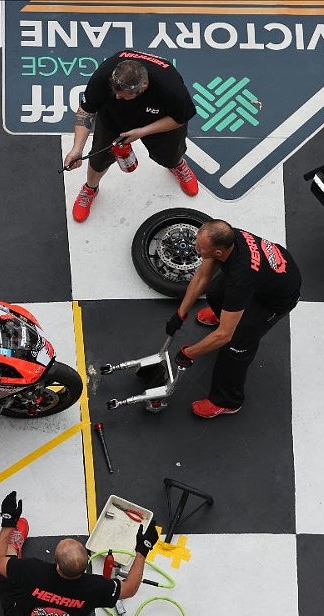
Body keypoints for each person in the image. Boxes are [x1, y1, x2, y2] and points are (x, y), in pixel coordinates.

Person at [0, 491, 157, 616]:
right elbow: (130, 589)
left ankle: (13, 546)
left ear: (57, 564)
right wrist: (143, 550)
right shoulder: (95, 587)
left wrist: (8, 522)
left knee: (3, 572)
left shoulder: (32, 570)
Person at [166, 219, 301, 418]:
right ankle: (226, 315)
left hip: (275, 299)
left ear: (218, 252)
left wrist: (189, 353)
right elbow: (203, 277)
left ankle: (227, 401)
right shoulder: (226, 236)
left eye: (200, 247)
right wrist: (180, 313)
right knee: (214, 291)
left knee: (236, 343)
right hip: (262, 278)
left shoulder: (241, 278)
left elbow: (224, 336)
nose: (196, 248)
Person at [63, 50, 199, 222]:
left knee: (170, 155)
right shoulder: (104, 75)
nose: (117, 96)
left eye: (123, 96)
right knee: (98, 158)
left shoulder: (170, 87)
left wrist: (142, 131)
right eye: (115, 93)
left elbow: (180, 118)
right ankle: (90, 188)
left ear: (142, 88)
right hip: (113, 119)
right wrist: (77, 149)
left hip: (159, 119)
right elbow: (86, 111)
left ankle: (177, 165)